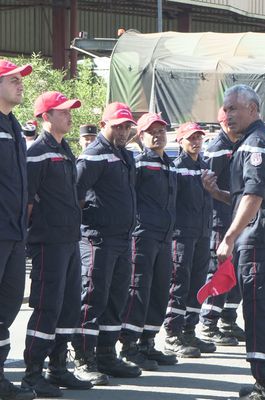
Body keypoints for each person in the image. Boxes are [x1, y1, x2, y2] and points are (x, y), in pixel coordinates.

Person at [204, 84, 265, 400]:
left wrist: (229, 237)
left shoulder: (256, 144)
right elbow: (245, 198)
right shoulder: (253, 143)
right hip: (261, 239)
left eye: (233, 108)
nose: (228, 115)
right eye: (225, 109)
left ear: (252, 109)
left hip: (259, 242)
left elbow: (254, 196)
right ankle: (263, 383)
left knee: (258, 314)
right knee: (255, 312)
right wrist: (217, 193)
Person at [21, 91, 92, 397]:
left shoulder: (65, 151)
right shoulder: (38, 152)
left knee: (67, 307)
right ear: (46, 117)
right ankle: (32, 372)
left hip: (69, 240)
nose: (69, 115)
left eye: (70, 111)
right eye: (62, 112)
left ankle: (59, 367)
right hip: (49, 243)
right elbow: (27, 203)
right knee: (46, 306)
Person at [71, 102, 140, 385]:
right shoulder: (93, 155)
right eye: (117, 126)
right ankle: (83, 359)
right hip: (97, 239)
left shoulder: (124, 155)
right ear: (103, 126)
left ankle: (107, 354)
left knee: (115, 299)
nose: (123, 131)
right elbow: (74, 196)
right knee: (92, 299)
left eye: (126, 126)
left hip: (122, 239)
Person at [119, 112, 178, 370]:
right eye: (152, 131)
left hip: (164, 237)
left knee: (159, 290)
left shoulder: (169, 163)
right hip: (143, 236)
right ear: (140, 136)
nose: (158, 135)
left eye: (161, 131)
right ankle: (129, 345)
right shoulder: (140, 164)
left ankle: (148, 343)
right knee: (138, 291)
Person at [163, 122, 217, 357]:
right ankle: (173, 334)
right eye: (190, 138)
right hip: (182, 236)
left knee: (198, 285)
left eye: (198, 138)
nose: (195, 142)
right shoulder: (176, 167)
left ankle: (189, 329)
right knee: (179, 284)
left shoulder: (204, 166)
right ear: (180, 141)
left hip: (203, 233)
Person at [0, 59, 35, 400]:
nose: (20, 83)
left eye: (20, 79)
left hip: (13, 234)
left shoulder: (14, 127)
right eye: (12, 79)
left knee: (7, 308)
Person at [199, 108, 244, 344]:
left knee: (235, 272)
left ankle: (228, 318)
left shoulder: (238, 144)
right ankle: (208, 322)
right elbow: (209, 188)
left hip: (236, 217)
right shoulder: (218, 148)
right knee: (218, 270)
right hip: (221, 220)